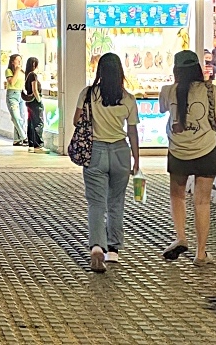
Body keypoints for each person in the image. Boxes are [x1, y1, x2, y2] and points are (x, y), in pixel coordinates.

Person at [159, 50, 216, 266]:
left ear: (176, 70)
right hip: (206, 149)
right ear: (198, 68)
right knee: (202, 201)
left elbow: (164, 110)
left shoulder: (168, 91)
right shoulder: (210, 90)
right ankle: (200, 253)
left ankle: (180, 237)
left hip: (178, 150)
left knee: (177, 196)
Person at [73, 53, 141, 273]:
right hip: (121, 151)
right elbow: (132, 131)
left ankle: (96, 246)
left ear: (99, 71)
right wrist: (136, 159)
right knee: (116, 203)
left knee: (96, 203)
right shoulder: (128, 98)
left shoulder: (88, 94)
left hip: (95, 151)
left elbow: (76, 121)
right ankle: (113, 250)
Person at [23, 56, 46, 152]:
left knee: (31, 123)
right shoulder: (33, 75)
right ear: (34, 65)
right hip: (35, 102)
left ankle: (31, 144)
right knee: (38, 123)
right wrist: (39, 99)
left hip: (29, 103)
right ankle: (38, 146)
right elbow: (35, 89)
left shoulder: (27, 75)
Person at [4, 54, 27, 146]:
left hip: (21, 94)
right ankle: (24, 137)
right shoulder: (9, 71)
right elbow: (12, 82)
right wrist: (17, 70)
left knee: (22, 117)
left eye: (20, 60)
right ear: (12, 61)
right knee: (16, 117)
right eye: (17, 60)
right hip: (12, 95)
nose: (19, 61)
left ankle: (17, 139)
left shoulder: (22, 71)